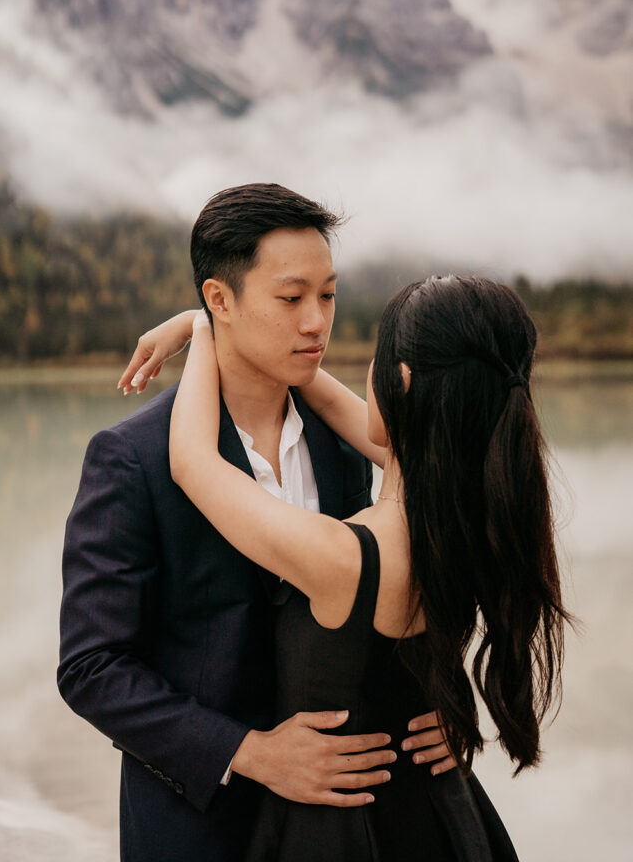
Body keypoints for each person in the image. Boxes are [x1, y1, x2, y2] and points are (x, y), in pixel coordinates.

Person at [58, 184, 455, 862]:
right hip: (199, 827)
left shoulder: (338, 442)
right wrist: (250, 752)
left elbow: (378, 601)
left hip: (342, 824)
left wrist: (444, 701)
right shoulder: (132, 459)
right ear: (221, 300)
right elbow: (91, 667)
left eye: (327, 296)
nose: (316, 323)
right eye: (291, 297)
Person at [138, 272, 570, 861]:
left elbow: (191, 462)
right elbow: (339, 402)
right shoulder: (474, 510)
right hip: (441, 816)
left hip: (341, 833)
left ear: (399, 382)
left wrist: (201, 327)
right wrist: (241, 334)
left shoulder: (345, 557)